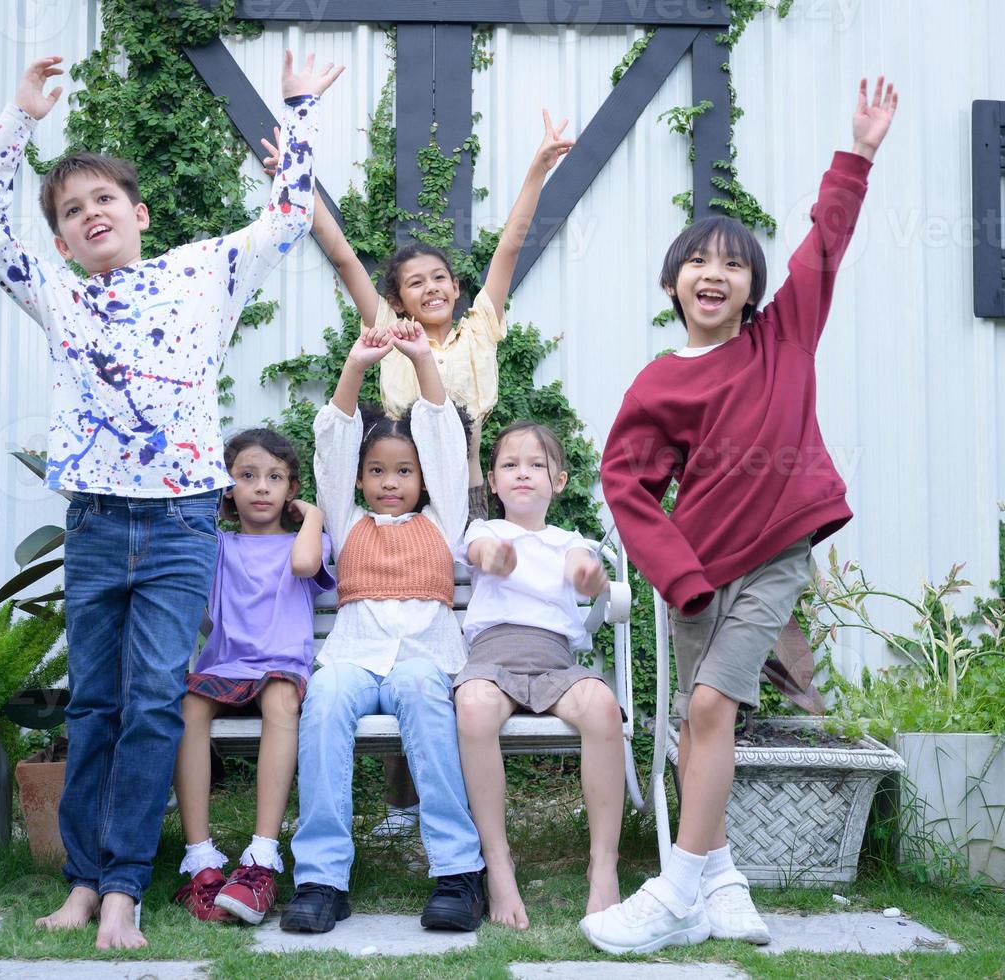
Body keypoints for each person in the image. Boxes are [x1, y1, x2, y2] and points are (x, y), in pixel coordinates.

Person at [0, 51, 343, 950]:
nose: (89, 215)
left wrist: (297, 111)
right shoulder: (55, 292)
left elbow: (291, 214)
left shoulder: (204, 273)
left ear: (139, 214)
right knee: (92, 704)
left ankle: (125, 886)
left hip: (176, 525)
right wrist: (19, 120)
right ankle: (83, 883)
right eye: (69, 211)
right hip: (94, 519)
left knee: (153, 706)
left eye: (102, 201)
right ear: (58, 242)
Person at [585, 77, 899, 955]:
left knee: (715, 706)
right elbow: (625, 485)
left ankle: (672, 890)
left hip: (772, 559)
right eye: (696, 261)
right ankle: (721, 878)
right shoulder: (658, 381)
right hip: (697, 574)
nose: (712, 272)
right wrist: (679, 577)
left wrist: (859, 154)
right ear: (673, 283)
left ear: (753, 284)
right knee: (698, 723)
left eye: (731, 262)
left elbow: (823, 245)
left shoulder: (783, 335)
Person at [261, 107, 577, 839]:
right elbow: (342, 258)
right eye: (414, 282)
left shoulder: (479, 327)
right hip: (397, 484)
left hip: (466, 487)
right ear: (396, 298)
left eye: (439, 277)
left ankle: (443, 785)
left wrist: (536, 166)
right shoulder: (387, 330)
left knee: (452, 624)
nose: (430, 288)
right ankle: (404, 803)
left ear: (455, 287)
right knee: (391, 618)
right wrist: (297, 185)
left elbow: (510, 245)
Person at [280, 321, 485, 934]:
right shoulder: (344, 521)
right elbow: (333, 445)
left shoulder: (443, 523)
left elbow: (446, 442)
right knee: (321, 706)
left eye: (402, 472)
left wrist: (423, 358)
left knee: (425, 697)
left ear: (422, 480)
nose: (389, 483)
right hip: (354, 655)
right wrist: (354, 368)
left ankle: (456, 871)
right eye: (377, 471)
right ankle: (321, 878)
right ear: (361, 479)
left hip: (424, 656)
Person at [454, 421, 623, 930]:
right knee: (475, 707)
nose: (522, 474)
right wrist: (497, 559)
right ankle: (498, 863)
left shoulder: (569, 539)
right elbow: (481, 556)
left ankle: (604, 865)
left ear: (560, 481)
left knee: (600, 706)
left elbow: (582, 571)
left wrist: (590, 578)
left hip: (554, 660)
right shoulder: (485, 531)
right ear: (493, 480)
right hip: (493, 655)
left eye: (536, 465)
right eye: (510, 465)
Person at [171, 429, 333, 926]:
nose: (261, 488)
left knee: (282, 700)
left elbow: (305, 565)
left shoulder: (308, 541)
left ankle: (261, 857)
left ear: (291, 490)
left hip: (282, 666)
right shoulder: (217, 545)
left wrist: (317, 516)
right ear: (227, 488)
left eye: (274, 478)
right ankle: (201, 860)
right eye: (247, 476)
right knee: (188, 705)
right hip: (226, 666)